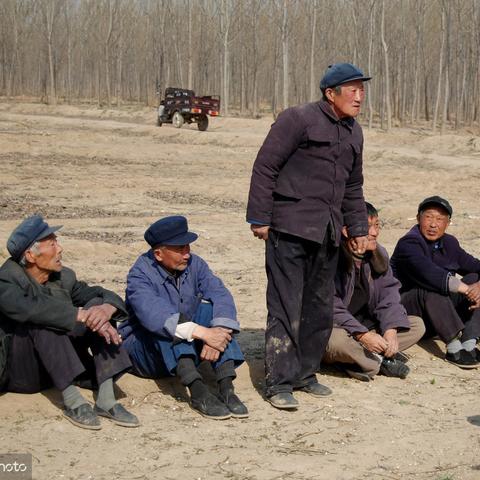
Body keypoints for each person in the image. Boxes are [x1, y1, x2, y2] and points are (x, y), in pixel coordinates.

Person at [246, 63, 372, 409]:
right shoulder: (297, 119)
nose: (359, 97)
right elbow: (266, 166)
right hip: (289, 227)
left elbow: (353, 186)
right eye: (353, 90)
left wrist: (358, 228)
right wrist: (260, 217)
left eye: (362, 90)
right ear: (330, 93)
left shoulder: (354, 132)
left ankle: (305, 373)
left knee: (318, 307)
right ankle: (279, 382)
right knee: (286, 303)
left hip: (328, 233)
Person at [0, 215, 139, 429]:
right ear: (30, 255)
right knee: (44, 319)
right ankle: (73, 402)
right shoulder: (6, 279)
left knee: (97, 308)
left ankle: (106, 399)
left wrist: (105, 309)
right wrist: (79, 314)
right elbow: (27, 308)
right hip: (22, 372)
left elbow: (101, 294)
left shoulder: (63, 277)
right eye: (52, 244)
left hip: (57, 365)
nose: (60, 249)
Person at [119, 216, 248, 420]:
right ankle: (198, 392)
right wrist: (204, 333)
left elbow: (220, 294)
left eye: (187, 246)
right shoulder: (139, 275)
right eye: (180, 249)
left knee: (210, 312)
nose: (187, 254)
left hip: (185, 346)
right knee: (167, 325)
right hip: (145, 352)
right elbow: (156, 315)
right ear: (158, 254)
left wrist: (219, 333)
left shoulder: (195, 264)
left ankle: (226, 387)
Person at [323, 202, 425, 381]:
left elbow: (388, 295)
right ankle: (377, 361)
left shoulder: (378, 254)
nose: (374, 232)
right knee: (335, 340)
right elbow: (330, 307)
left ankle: (357, 358)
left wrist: (391, 330)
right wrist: (362, 335)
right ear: (346, 231)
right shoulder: (329, 258)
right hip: (335, 328)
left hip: (364, 326)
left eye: (377, 225)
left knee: (416, 325)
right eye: (367, 227)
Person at [391, 196, 480, 368]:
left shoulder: (450, 243)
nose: (433, 224)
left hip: (440, 315)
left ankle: (469, 342)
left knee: (474, 279)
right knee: (431, 287)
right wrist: (469, 290)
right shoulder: (409, 243)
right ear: (418, 218)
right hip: (408, 313)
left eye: (440, 219)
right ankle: (453, 348)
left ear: (448, 223)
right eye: (429, 217)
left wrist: (478, 287)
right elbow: (429, 274)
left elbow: (476, 266)